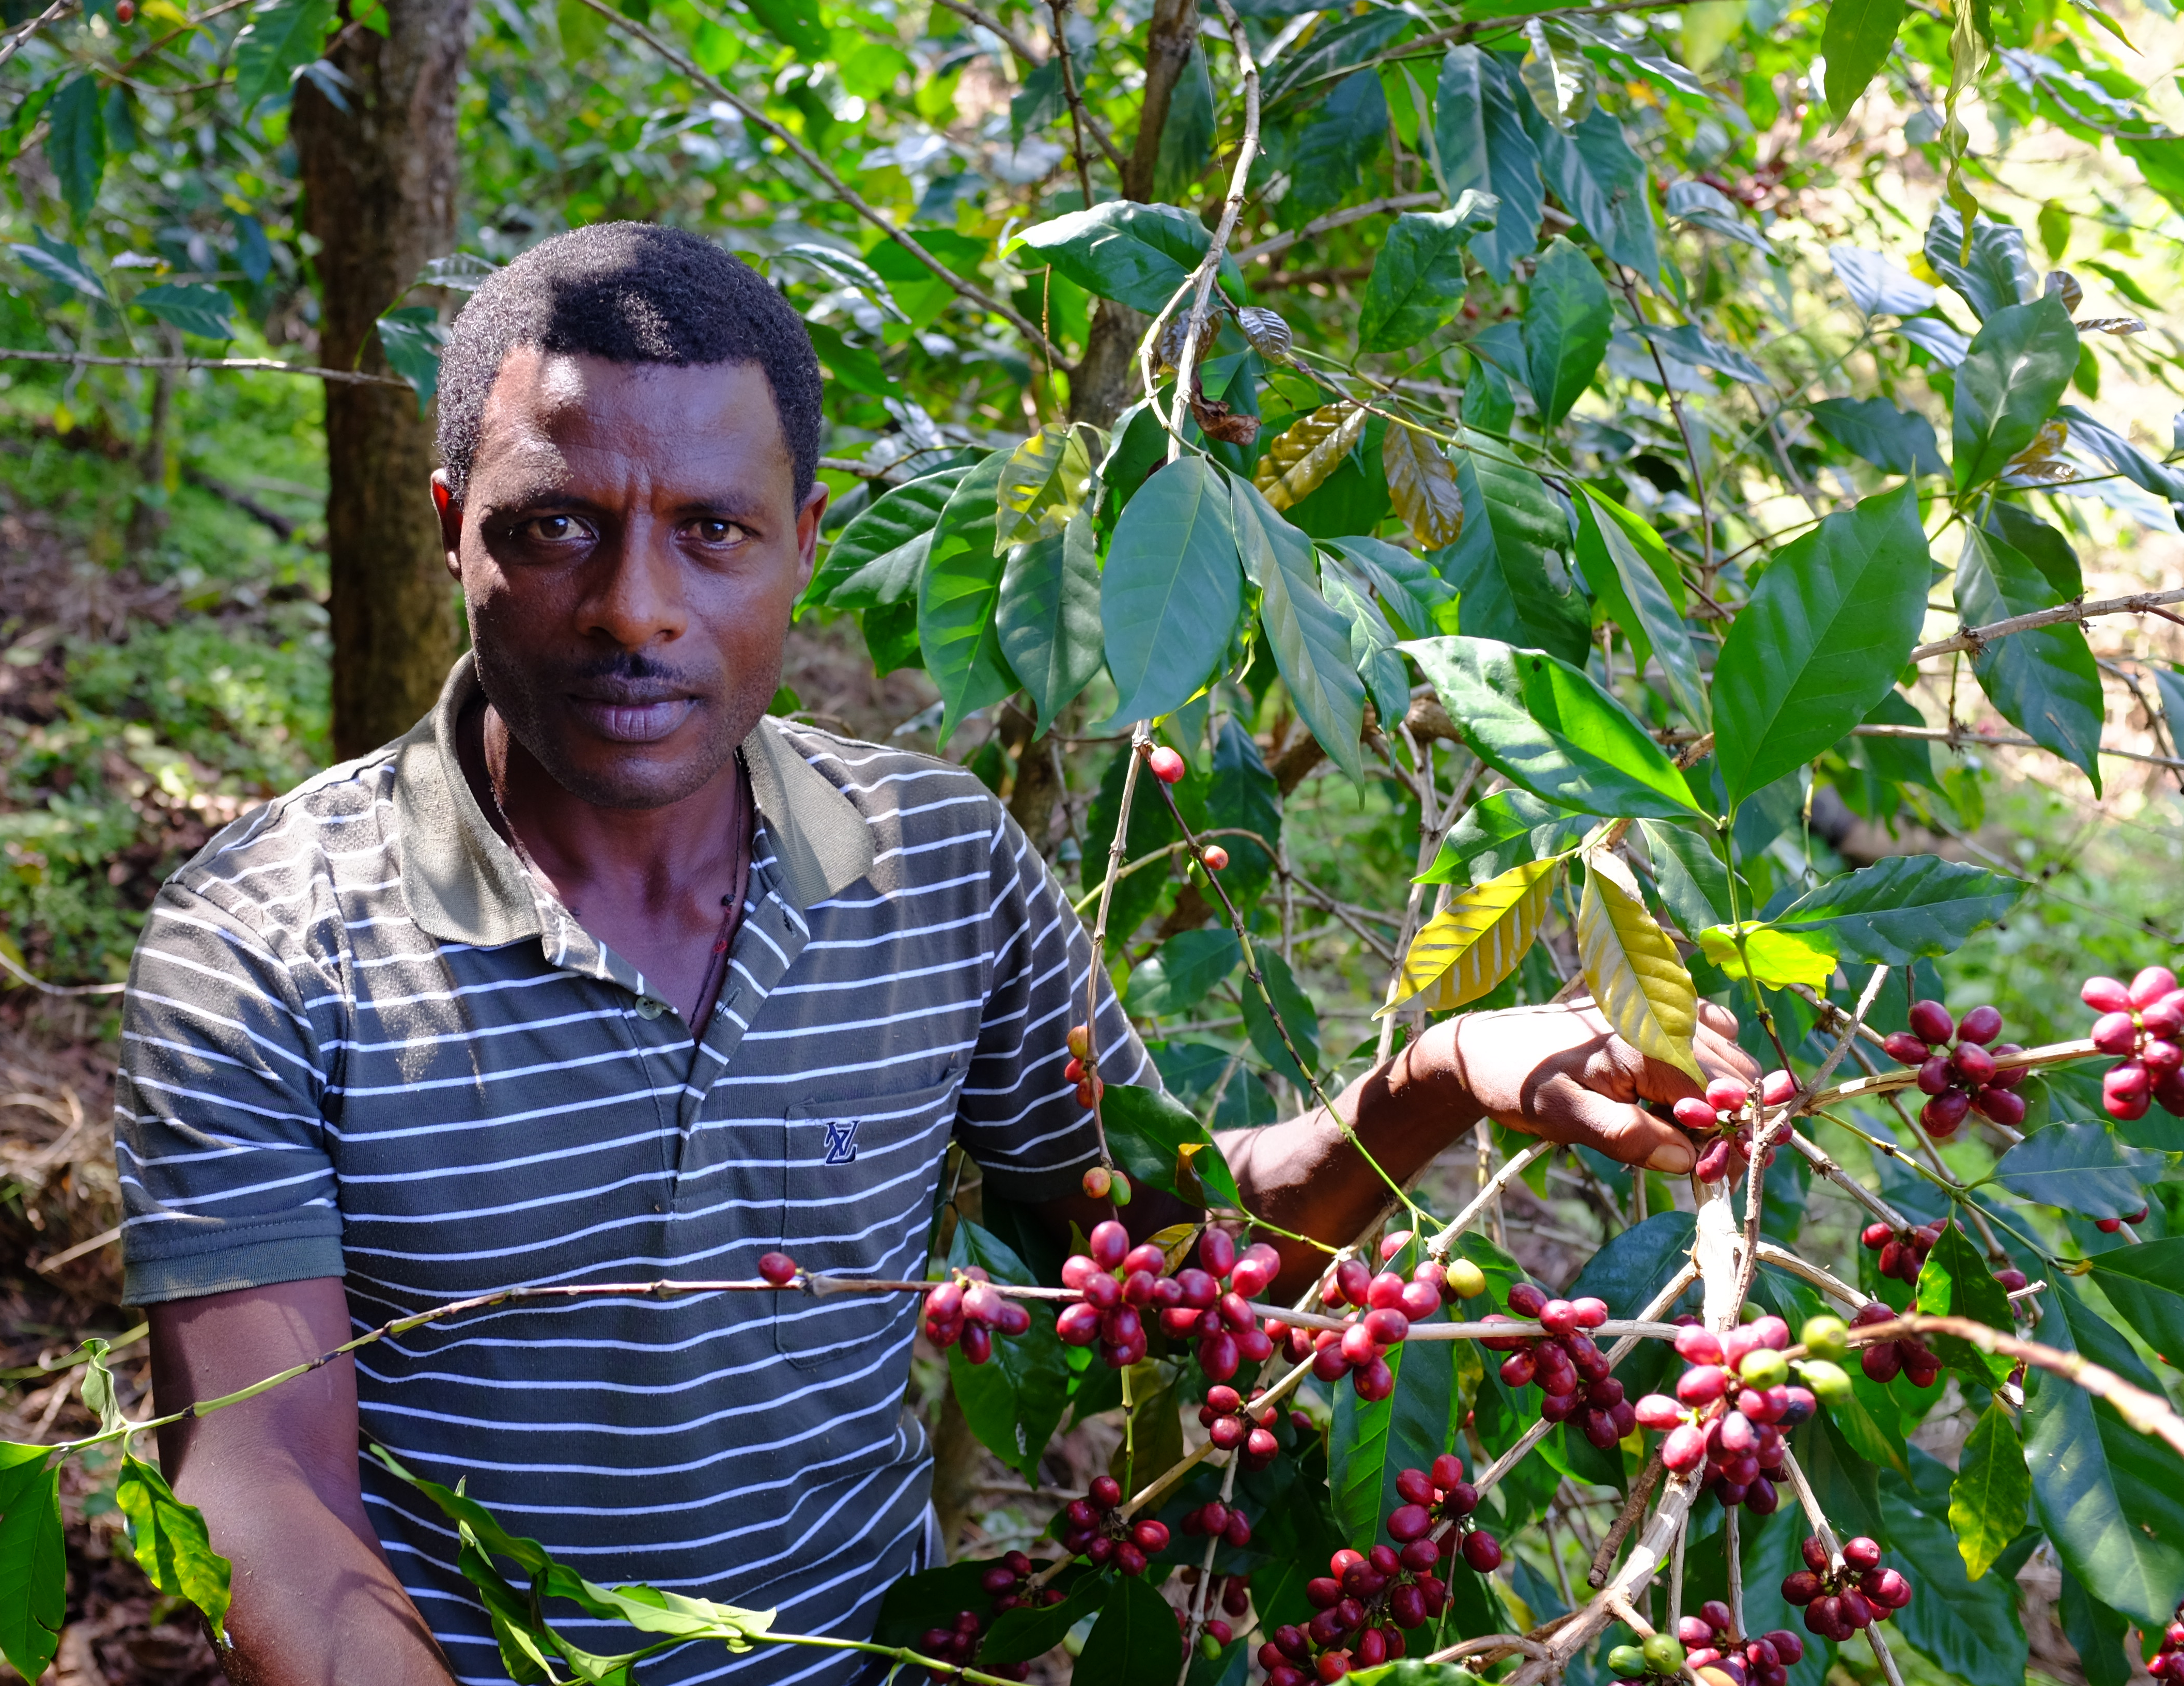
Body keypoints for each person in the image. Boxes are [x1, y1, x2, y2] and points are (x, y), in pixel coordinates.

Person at [118, 222, 1754, 1686]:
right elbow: (266, 1484)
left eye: (711, 533)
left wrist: (1443, 1074)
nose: (634, 608)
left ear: (804, 540)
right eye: (554, 530)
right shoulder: (259, 943)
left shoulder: (937, 868)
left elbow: (1165, 1257)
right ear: (450, 530)